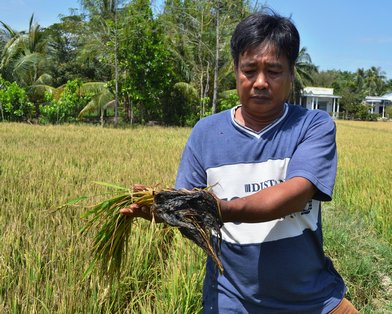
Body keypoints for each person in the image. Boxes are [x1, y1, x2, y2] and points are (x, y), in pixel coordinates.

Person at [122, 11, 359, 314]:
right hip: (233, 302)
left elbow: (297, 193)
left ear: (291, 73)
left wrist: (222, 209)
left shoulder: (312, 125)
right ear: (235, 71)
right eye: (249, 70)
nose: (260, 82)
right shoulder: (206, 134)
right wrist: (167, 211)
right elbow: (193, 213)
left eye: (273, 71)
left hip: (312, 300)